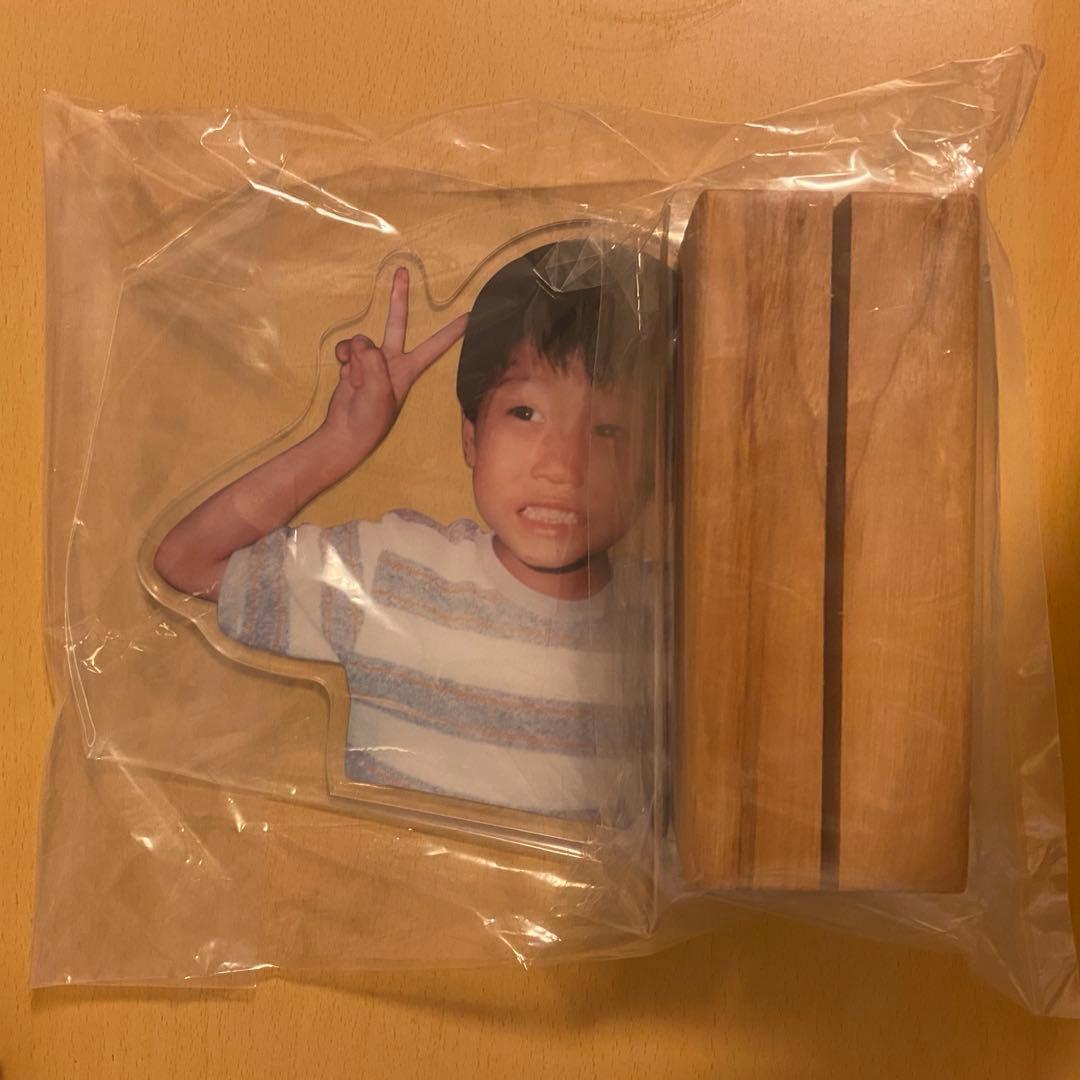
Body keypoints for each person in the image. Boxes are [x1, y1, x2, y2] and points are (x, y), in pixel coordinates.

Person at [154, 239, 665, 821]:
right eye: (526, 413)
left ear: (658, 465)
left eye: (609, 430)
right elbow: (187, 561)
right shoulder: (393, 572)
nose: (563, 466)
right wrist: (341, 440)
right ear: (471, 437)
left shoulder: (672, 621)